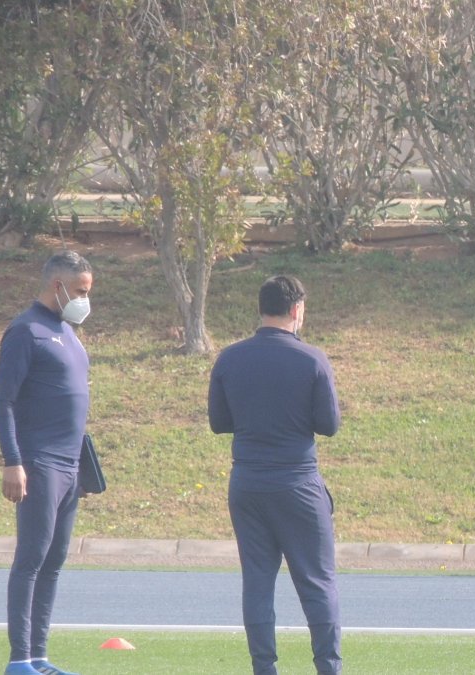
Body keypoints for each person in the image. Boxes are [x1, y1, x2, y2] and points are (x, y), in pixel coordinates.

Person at [208, 275, 343, 675]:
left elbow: (219, 422)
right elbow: (329, 425)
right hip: (297, 481)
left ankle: (264, 668)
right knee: (317, 581)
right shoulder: (311, 359)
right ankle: (328, 667)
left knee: (257, 581)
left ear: (260, 308)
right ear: (297, 309)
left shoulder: (229, 358)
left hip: (248, 481)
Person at [0, 250, 94, 675]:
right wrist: (13, 461)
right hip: (39, 463)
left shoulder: (68, 333)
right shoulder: (26, 331)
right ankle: (19, 660)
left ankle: (38, 656)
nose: (85, 300)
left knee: (54, 562)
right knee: (32, 559)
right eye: (80, 291)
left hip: (70, 466)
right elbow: (3, 402)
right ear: (58, 286)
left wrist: (82, 467)